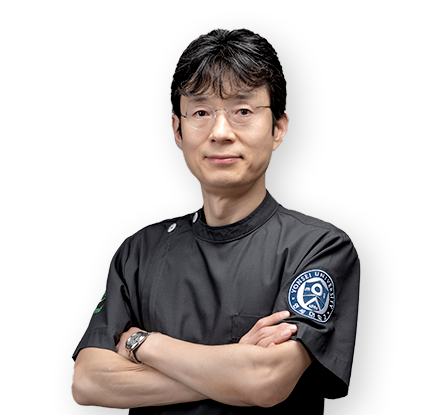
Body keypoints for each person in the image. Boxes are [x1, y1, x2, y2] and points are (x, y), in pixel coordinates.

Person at [71, 28, 360, 414]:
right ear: (177, 130)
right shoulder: (138, 251)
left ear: (278, 127)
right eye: (201, 112)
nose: (220, 133)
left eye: (243, 111)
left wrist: (143, 344)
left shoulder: (319, 247)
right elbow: (87, 381)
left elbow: (266, 381)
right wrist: (235, 369)